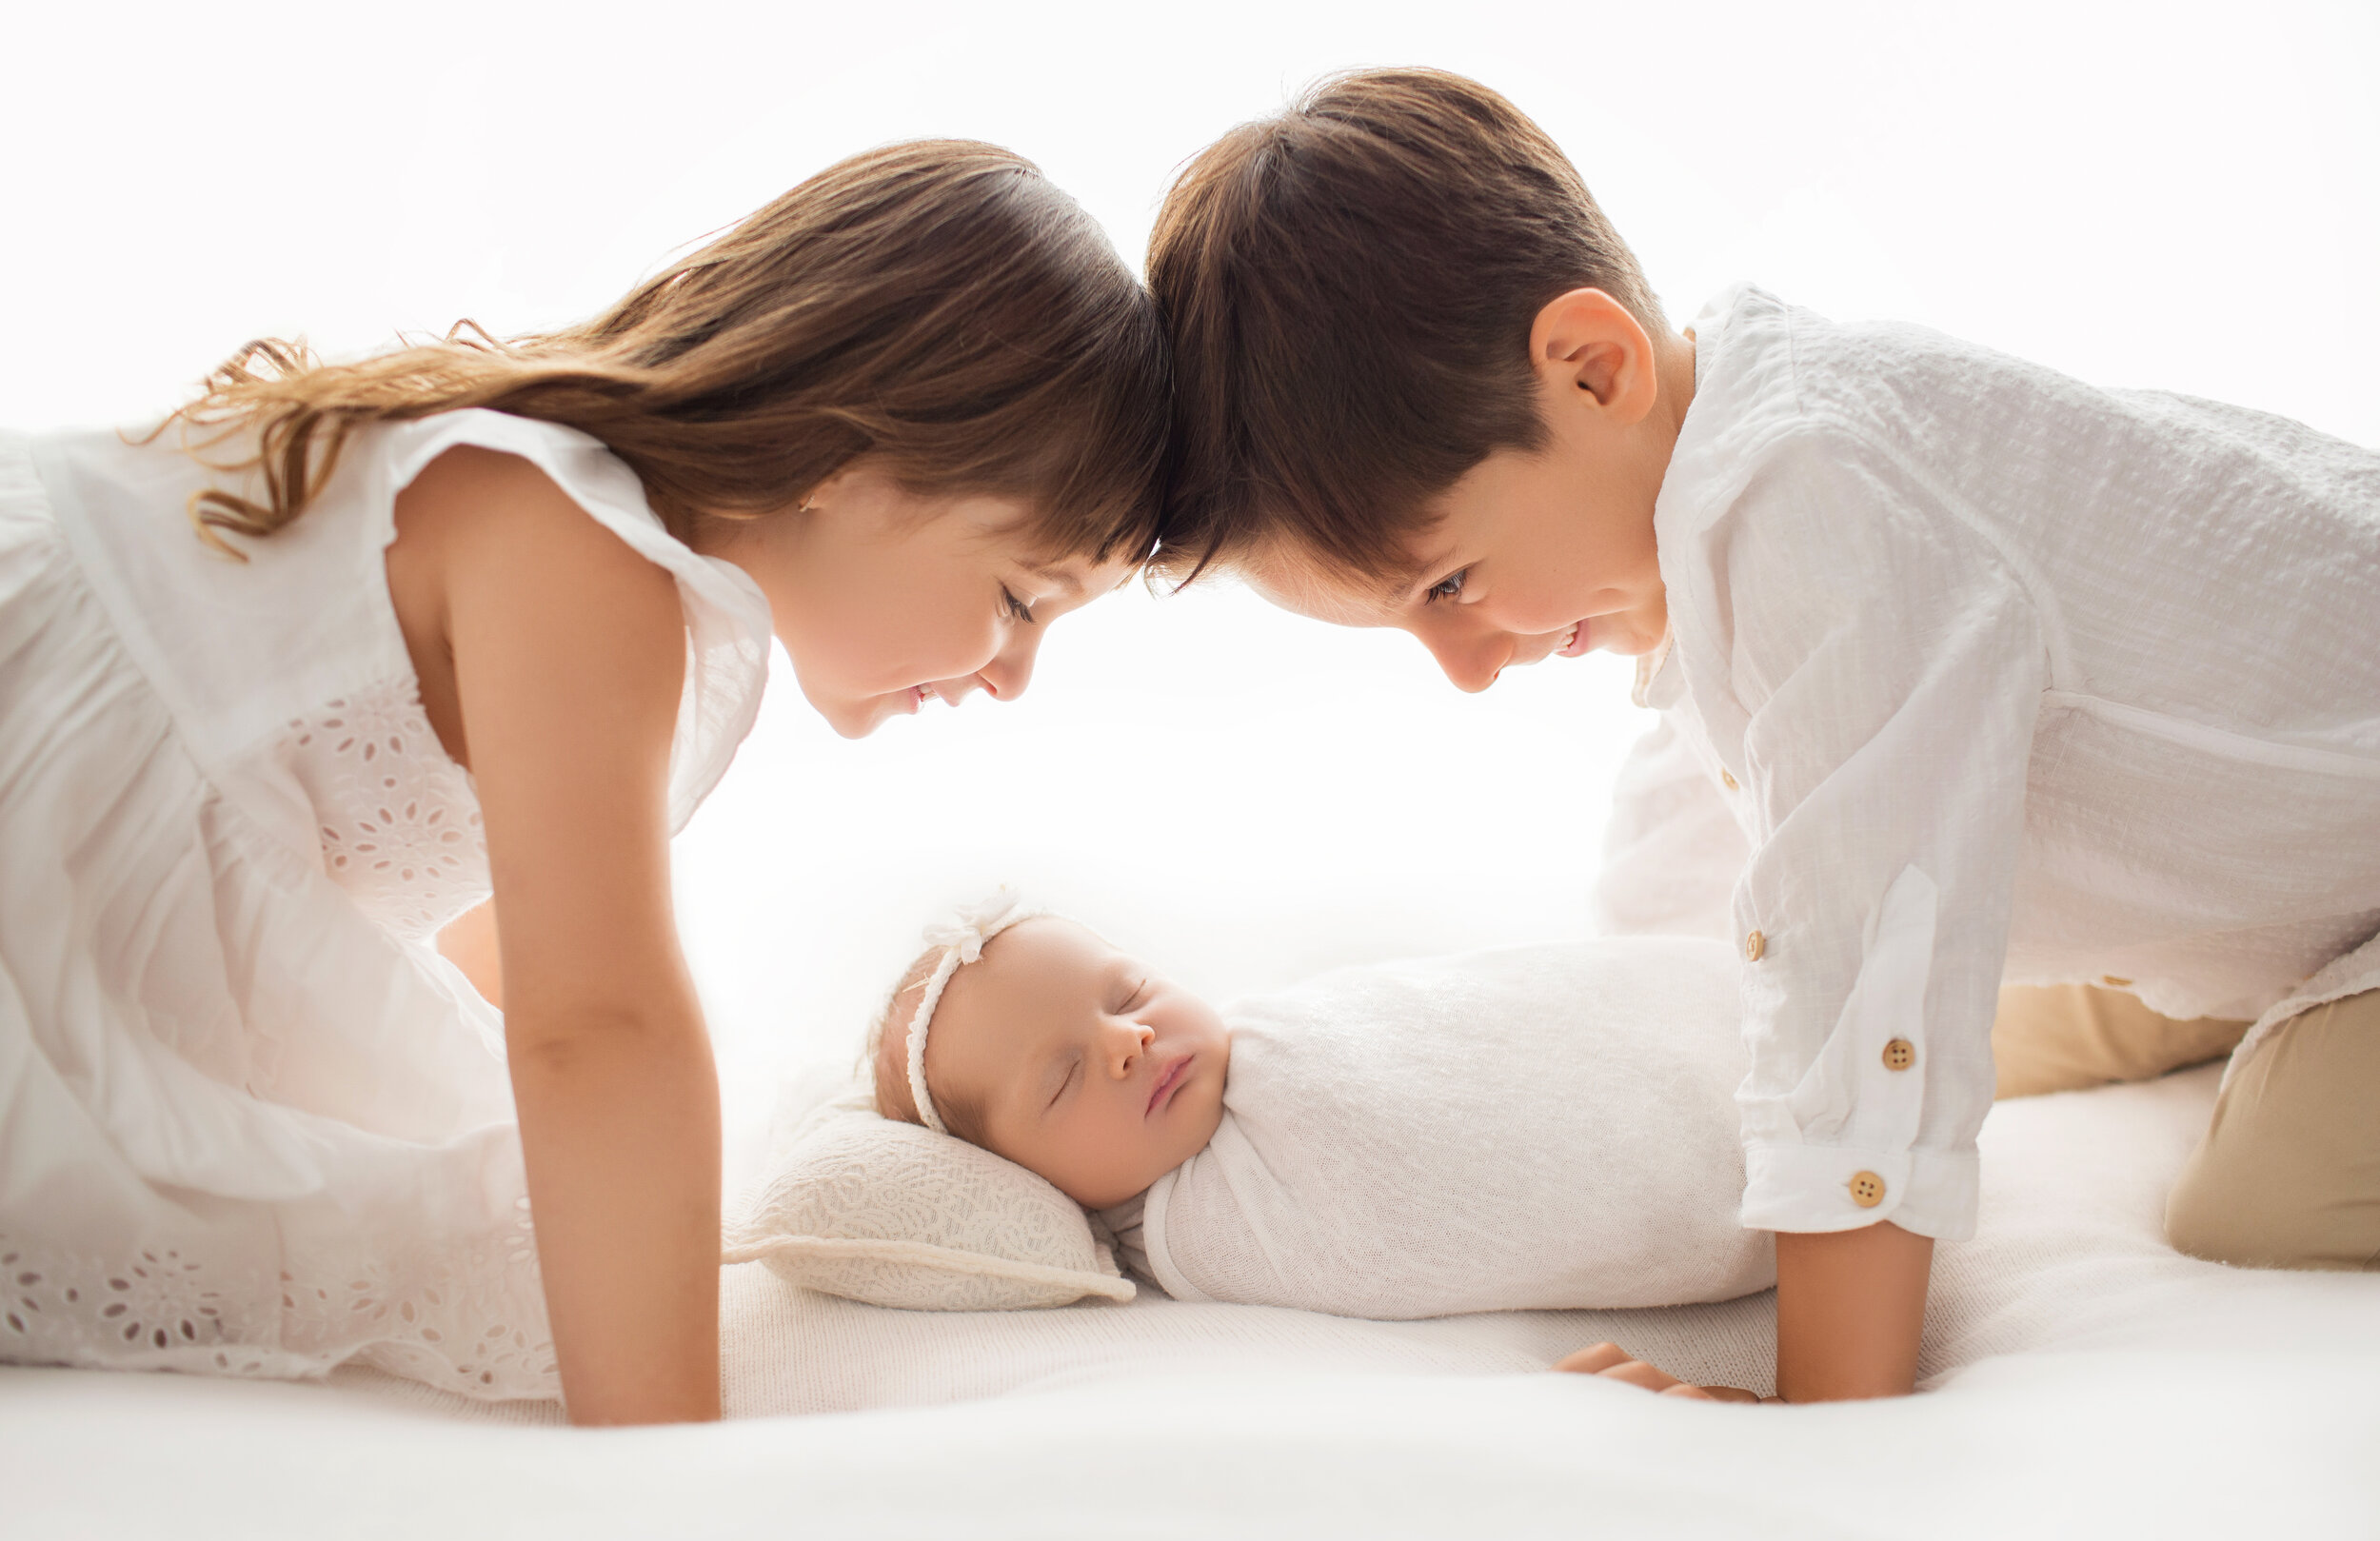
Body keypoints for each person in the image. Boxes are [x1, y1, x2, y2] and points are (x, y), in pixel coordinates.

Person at [1142, 69, 2380, 1401]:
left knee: (2262, 1192)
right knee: (1844, 1032)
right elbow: (1698, 918)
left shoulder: (1819, 502)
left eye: (1450, 586)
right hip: (2285, 854)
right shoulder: (1707, 502)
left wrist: (1826, 1405)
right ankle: (2239, 994)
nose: (1465, 669)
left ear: (1593, 368)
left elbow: (1861, 964)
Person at [0, 141, 1166, 1425]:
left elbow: (508, 942)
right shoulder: (579, 548)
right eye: (1017, 599)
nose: (1012, 677)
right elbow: (596, 1022)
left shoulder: (602, 544)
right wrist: (661, 1455)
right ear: (852, 462)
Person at [866, 895, 1771, 1353]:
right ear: (1029, 1178)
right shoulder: (1179, 1232)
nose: (1129, 1039)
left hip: (1687, 1014)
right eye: (1064, 1080)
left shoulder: (1273, 1028)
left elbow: (1484, 1012)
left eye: (1127, 991)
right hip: (1712, 1157)